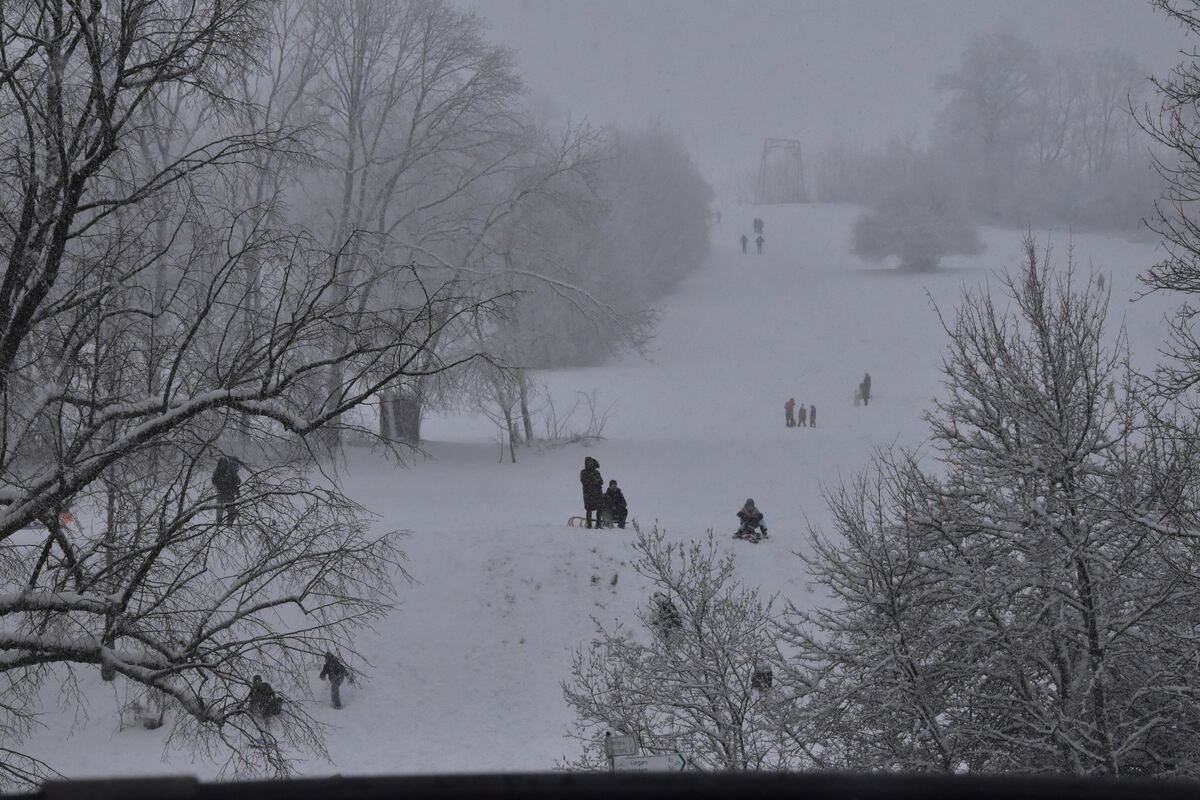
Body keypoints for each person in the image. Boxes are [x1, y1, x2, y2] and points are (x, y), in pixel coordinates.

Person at [212, 455, 241, 525]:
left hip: (225, 493)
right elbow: (236, 482)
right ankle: (224, 523)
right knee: (228, 510)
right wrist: (236, 491)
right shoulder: (227, 472)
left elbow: (237, 482)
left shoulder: (225, 471)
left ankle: (222, 523)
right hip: (226, 493)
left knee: (225, 510)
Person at [580, 456, 604, 529]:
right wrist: (594, 481)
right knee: (588, 509)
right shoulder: (583, 472)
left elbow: (601, 481)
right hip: (588, 493)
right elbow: (584, 482)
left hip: (597, 493)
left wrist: (597, 481)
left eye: (591, 462)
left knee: (599, 508)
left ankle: (598, 524)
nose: (590, 463)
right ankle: (589, 524)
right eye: (589, 462)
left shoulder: (597, 472)